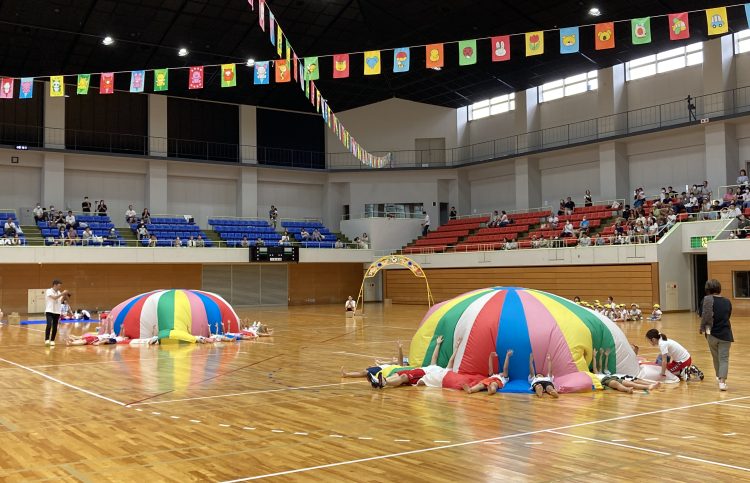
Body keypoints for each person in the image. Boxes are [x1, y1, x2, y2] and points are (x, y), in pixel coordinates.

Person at [373, 335, 458, 388]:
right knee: (397, 374)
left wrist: (457, 349)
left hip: (421, 374)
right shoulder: (434, 366)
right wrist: (438, 344)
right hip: (417, 370)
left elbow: (451, 360)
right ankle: (379, 381)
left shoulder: (446, 371)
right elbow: (434, 357)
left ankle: (384, 383)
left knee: (403, 377)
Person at [700, 279, 734, 391]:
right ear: (719, 288)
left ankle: (719, 376)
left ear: (707, 289)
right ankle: (722, 382)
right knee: (724, 358)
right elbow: (728, 315)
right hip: (725, 334)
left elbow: (702, 316)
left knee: (715, 358)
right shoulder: (727, 302)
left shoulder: (705, 301)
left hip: (711, 334)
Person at [44, 279, 69, 346]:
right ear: (54, 285)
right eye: (59, 286)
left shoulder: (59, 292)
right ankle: (47, 339)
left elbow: (60, 301)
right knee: (49, 325)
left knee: (55, 326)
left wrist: (64, 296)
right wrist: (62, 294)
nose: (59, 287)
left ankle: (52, 340)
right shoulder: (48, 291)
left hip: (57, 311)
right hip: (49, 311)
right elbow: (54, 298)